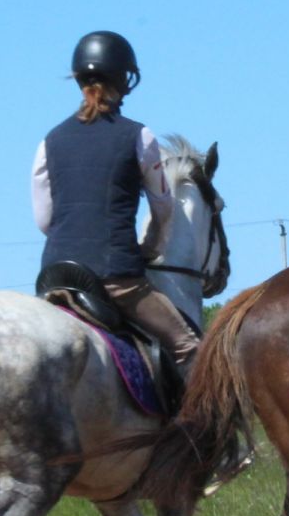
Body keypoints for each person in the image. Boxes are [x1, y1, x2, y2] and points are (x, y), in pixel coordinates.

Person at [32, 30, 200, 378]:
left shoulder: (50, 140)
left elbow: (44, 220)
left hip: (55, 276)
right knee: (189, 347)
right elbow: (163, 206)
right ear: (125, 81)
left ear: (78, 80)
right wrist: (151, 246)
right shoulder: (138, 136)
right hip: (115, 279)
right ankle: (192, 432)